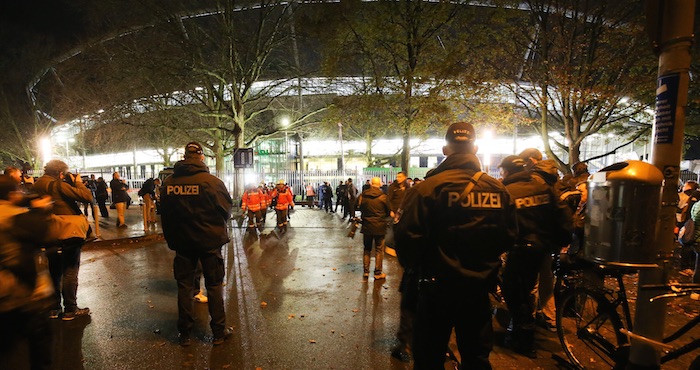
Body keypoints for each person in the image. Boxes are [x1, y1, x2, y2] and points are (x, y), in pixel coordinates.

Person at [394, 122, 517, 369]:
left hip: (436, 288)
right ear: (475, 148)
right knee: (476, 356)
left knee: (429, 356)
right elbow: (509, 235)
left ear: (444, 150)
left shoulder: (427, 189)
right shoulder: (497, 190)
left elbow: (406, 237)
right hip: (477, 288)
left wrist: (421, 266)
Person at [159, 142, 233, 346]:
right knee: (214, 285)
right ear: (201, 158)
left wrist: (172, 238)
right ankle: (218, 332)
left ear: (184, 157)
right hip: (209, 242)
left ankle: (184, 334)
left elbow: (164, 213)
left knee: (185, 287)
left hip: (182, 243)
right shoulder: (212, 182)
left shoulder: (169, 183)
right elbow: (226, 210)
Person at [498, 155, 572, 358]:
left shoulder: (506, 192)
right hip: (541, 248)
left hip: (519, 248)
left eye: (502, 170)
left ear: (508, 171)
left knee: (514, 291)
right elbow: (562, 215)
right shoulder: (544, 189)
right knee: (527, 288)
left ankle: (523, 338)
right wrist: (559, 241)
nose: (501, 174)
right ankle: (524, 332)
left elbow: (499, 224)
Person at [0, 175, 56, 370]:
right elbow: (46, 235)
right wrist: (41, 210)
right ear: (13, 194)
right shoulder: (16, 218)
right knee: (40, 349)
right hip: (24, 295)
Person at [33, 159, 93, 320]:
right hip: (67, 232)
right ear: (60, 173)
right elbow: (87, 197)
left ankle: (53, 308)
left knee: (53, 270)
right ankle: (70, 308)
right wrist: (78, 183)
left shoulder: (36, 185)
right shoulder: (58, 184)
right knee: (70, 269)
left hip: (48, 232)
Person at [517, 148, 565, 331]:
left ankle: (528, 319)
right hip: (549, 235)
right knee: (546, 276)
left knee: (531, 281)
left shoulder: (535, 179)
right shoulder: (553, 177)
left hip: (534, 233)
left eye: (523, 163)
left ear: (530, 161)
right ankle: (550, 317)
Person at [357, 177, 390, 280]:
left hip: (367, 225)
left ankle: (366, 272)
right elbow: (388, 211)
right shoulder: (383, 197)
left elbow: (357, 206)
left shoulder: (363, 195)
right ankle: (377, 272)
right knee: (379, 250)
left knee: (367, 249)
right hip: (380, 226)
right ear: (379, 184)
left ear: (371, 184)